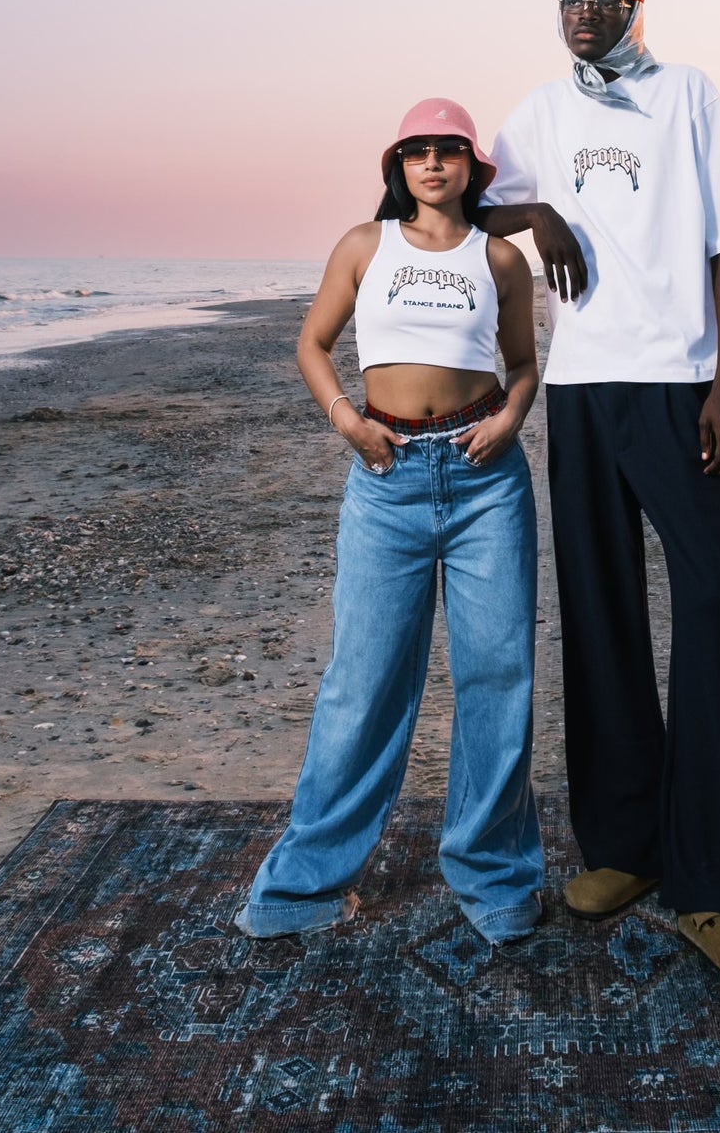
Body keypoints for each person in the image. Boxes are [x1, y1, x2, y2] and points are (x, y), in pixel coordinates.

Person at [476, 0, 720, 987]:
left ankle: (712, 885)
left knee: (698, 611)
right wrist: (539, 214)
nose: (580, 14)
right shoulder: (537, 112)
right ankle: (623, 848)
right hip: (579, 388)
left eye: (600, 1)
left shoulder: (688, 93)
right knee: (599, 611)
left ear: (632, 8)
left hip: (677, 382)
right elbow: (477, 203)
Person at [236, 99, 544, 946]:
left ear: (473, 166)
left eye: (449, 151)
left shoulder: (501, 258)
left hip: (484, 478)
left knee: (496, 675)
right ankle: (302, 884)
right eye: (417, 152)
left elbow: (522, 364)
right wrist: (343, 415)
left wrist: (513, 416)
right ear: (397, 166)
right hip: (386, 476)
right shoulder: (364, 246)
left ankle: (495, 875)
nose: (433, 164)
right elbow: (312, 342)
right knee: (362, 681)